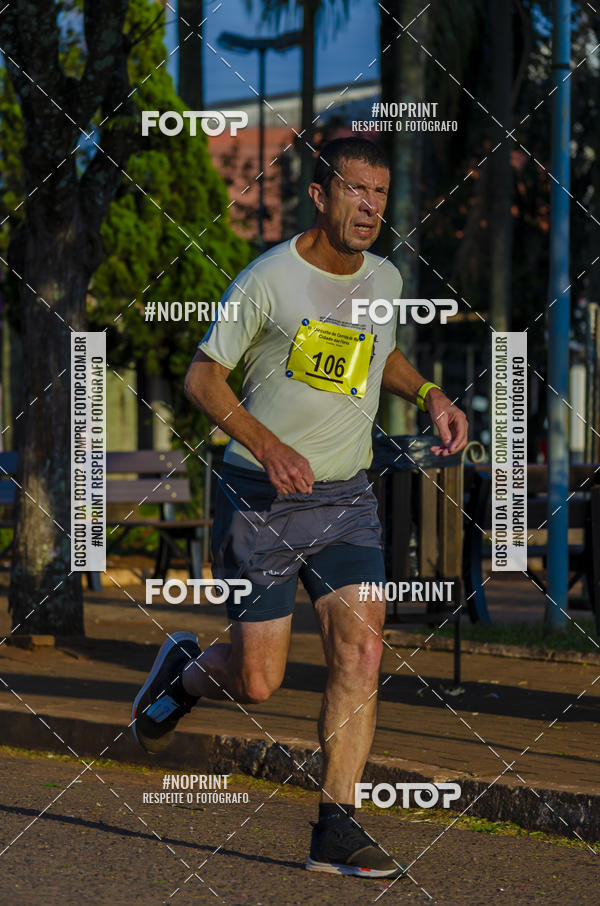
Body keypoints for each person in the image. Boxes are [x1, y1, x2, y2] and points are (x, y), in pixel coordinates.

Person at [132, 137, 469, 879]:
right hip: (261, 497)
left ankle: (335, 826)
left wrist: (431, 394)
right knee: (259, 682)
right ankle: (184, 673)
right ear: (320, 195)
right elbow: (201, 379)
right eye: (357, 190)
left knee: (363, 651)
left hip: (347, 498)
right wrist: (268, 444)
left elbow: (381, 355)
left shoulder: (385, 277)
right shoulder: (267, 280)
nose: (371, 206)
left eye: (381, 193)